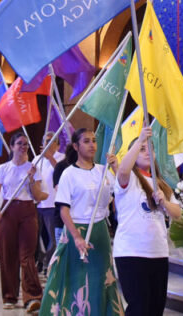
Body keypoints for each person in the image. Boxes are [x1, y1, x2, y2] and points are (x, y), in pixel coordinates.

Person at [40, 127, 123, 316]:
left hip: (100, 230)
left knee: (102, 278)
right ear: (76, 146)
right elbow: (63, 210)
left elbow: (122, 191)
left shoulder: (103, 171)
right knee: (78, 280)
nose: (92, 145)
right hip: (76, 230)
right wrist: (76, 237)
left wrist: (116, 168)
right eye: (86, 141)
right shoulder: (69, 173)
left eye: (94, 140)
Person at [114, 126, 182, 316]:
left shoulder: (161, 183)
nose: (147, 152)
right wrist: (140, 140)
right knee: (139, 308)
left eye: (150, 149)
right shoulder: (128, 179)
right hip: (132, 252)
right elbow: (122, 169)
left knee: (155, 308)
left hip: (158, 252)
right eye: (142, 149)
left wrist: (164, 203)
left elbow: (177, 213)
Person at [0, 131, 47, 311]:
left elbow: (38, 195)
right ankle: (10, 296)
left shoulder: (33, 167)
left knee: (27, 255)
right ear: (12, 146)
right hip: (8, 210)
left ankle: (32, 297)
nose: (23, 147)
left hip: (27, 210)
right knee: (7, 254)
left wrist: (31, 178)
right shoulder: (3, 168)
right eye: (20, 144)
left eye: (25, 144)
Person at [34, 132, 64, 273]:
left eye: (51, 141)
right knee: (36, 236)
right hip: (38, 204)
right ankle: (40, 260)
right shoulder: (37, 159)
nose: (48, 143)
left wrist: (50, 157)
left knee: (53, 237)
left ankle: (48, 263)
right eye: (46, 141)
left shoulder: (61, 158)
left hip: (53, 204)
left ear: (57, 144)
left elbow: (61, 173)